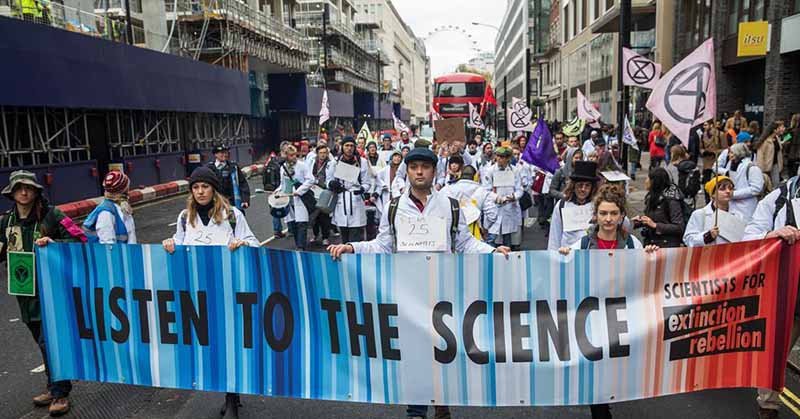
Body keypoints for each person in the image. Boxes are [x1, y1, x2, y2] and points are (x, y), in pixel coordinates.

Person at [327, 147, 510, 419]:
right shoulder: (394, 207)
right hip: (409, 292)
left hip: (443, 290)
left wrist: (493, 251)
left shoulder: (450, 205)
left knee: (443, 350)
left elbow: (464, 243)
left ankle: (441, 403)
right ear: (408, 171)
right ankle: (417, 409)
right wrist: (352, 247)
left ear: (434, 171)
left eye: (425, 167)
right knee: (415, 352)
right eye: (414, 168)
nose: (419, 172)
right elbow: (383, 245)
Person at [162, 166, 258, 419]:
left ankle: (232, 398)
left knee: (230, 344)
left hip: (228, 291)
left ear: (214, 189)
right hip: (199, 293)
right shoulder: (185, 217)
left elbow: (254, 243)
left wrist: (243, 244)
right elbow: (179, 242)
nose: (200, 191)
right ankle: (228, 393)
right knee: (214, 346)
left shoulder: (232, 215)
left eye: (205, 186)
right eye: (195, 187)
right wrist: (171, 244)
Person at [557, 183, 658, 419]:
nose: (608, 219)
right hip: (591, 321)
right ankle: (601, 411)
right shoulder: (582, 245)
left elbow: (644, 279)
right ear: (596, 215)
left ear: (622, 215)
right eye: (603, 213)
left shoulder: (632, 245)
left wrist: (652, 257)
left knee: (615, 369)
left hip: (622, 320)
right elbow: (564, 276)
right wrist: (562, 257)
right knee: (595, 372)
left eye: (613, 213)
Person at [0, 170, 87, 416]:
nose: (24, 192)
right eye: (19, 188)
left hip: (52, 290)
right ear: (12, 193)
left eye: (28, 187)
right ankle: (53, 385)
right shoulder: (7, 221)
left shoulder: (52, 215)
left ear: (36, 191)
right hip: (24, 292)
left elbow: (80, 240)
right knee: (41, 341)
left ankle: (60, 393)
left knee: (49, 342)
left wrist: (54, 244)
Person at [742, 168, 800, 419]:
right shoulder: (779, 197)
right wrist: (772, 234)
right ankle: (768, 406)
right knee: (775, 354)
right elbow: (749, 236)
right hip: (787, 294)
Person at [326, 136, 372, 244]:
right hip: (341, 201)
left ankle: (355, 253)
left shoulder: (362, 162)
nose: (349, 148)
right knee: (344, 235)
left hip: (355, 200)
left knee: (356, 236)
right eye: (347, 145)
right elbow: (328, 180)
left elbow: (367, 183)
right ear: (342, 147)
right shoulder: (335, 162)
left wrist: (362, 189)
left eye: (352, 146)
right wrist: (332, 184)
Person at [548, 161, 600, 251]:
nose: (583, 189)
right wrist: (553, 256)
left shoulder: (597, 206)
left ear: (592, 187)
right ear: (573, 185)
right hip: (568, 254)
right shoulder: (562, 205)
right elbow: (554, 236)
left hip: (591, 254)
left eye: (587, 186)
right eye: (580, 185)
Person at [683, 176, 744, 246]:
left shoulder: (738, 215)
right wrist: (707, 236)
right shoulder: (700, 214)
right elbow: (688, 240)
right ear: (713, 194)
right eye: (722, 189)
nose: (728, 191)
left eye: (731, 188)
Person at [633, 167, 686, 248]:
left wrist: (656, 225)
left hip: (667, 246)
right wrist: (641, 221)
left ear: (654, 181)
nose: (645, 181)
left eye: (648, 178)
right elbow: (654, 218)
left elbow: (679, 227)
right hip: (651, 244)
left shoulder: (672, 199)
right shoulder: (652, 197)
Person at [483, 147, 523, 249]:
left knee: (508, 238)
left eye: (502, 157)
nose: (499, 159)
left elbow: (519, 189)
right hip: (495, 207)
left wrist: (514, 196)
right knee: (492, 238)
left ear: (508, 158)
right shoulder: (490, 171)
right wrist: (496, 197)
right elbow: (486, 190)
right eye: (498, 156)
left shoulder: (515, 171)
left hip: (510, 207)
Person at [82, 171, 137, 244]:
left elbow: (130, 235)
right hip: (116, 251)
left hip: (126, 250)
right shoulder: (106, 212)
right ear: (124, 189)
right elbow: (107, 243)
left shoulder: (122, 205)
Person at [278, 145, 315, 250]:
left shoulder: (302, 166)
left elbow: (310, 180)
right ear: (286, 156)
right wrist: (278, 191)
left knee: (302, 223)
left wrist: (299, 191)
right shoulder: (283, 168)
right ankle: (298, 243)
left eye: (295, 154)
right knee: (293, 223)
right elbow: (282, 183)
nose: (294, 157)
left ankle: (301, 246)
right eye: (291, 155)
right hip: (289, 199)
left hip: (300, 198)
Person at [719, 143, 764, 223]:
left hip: (747, 206)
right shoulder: (731, 165)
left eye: (732, 152)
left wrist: (735, 194)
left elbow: (756, 188)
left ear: (738, 153)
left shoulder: (752, 167)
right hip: (732, 205)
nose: (729, 155)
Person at [206, 144, 250, 211]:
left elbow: (242, 183)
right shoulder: (209, 168)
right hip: (214, 204)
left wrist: (245, 199)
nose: (225, 155)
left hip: (231, 203)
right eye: (222, 153)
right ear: (215, 154)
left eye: (226, 153)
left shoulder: (233, 167)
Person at [307, 144, 334, 245]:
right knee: (314, 214)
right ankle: (315, 234)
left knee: (324, 215)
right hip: (313, 190)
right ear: (317, 154)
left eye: (324, 153)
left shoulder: (331, 163)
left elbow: (332, 177)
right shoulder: (312, 162)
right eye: (321, 153)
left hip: (324, 191)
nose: (323, 155)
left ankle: (325, 237)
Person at [755, 121, 786, 189]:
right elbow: (760, 156)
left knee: (776, 184)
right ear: (775, 130)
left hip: (775, 164)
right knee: (766, 185)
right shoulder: (765, 141)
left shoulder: (776, 138)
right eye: (779, 128)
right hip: (766, 167)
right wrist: (761, 169)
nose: (781, 129)